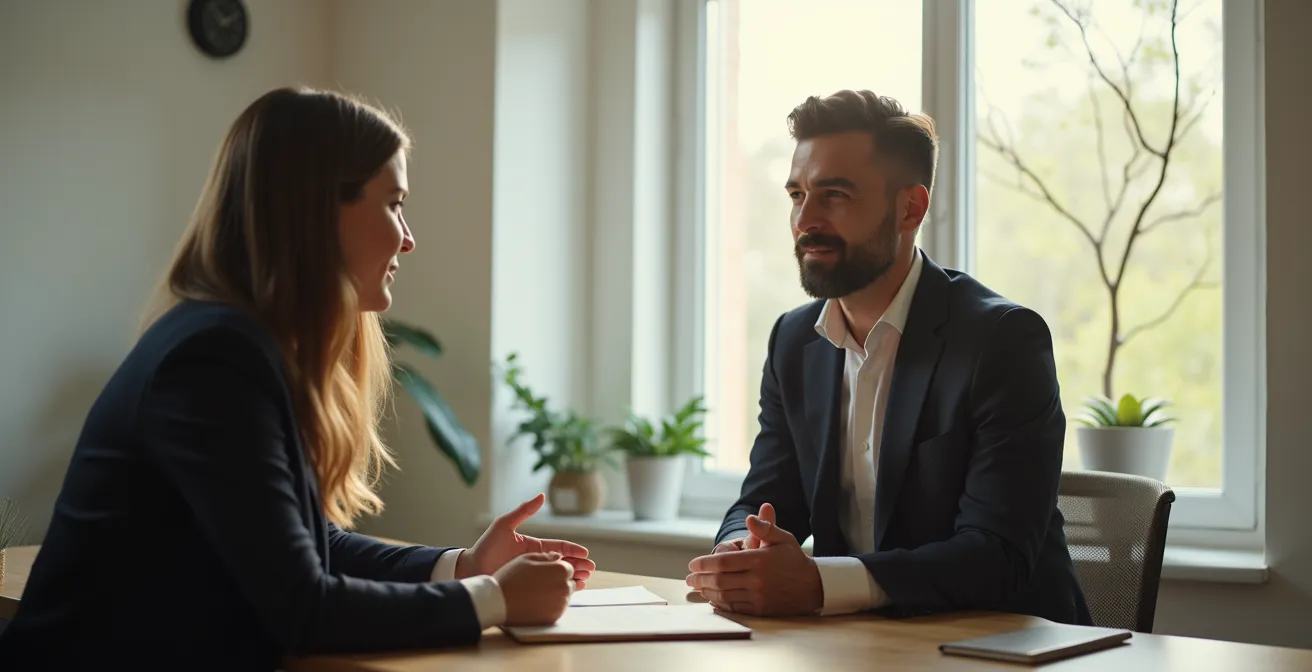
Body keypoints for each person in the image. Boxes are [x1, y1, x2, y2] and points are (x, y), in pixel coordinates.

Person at [0, 87, 594, 669]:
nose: (408, 239)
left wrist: (463, 566)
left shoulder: (232, 344)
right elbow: (303, 608)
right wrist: (492, 599)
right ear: (315, 212)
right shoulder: (213, 361)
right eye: (393, 203)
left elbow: (309, 549)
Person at [685, 90, 1091, 625]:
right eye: (796, 194)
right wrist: (742, 549)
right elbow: (766, 499)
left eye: (834, 195)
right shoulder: (793, 341)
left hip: (1005, 646)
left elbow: (998, 556)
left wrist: (818, 583)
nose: (806, 219)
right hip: (859, 645)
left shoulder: (1002, 340)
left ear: (910, 208)